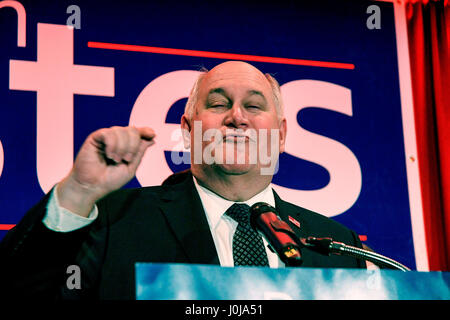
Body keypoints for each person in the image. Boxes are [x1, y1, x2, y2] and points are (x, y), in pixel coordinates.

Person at [0, 61, 366, 300]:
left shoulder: (337, 248)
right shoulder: (116, 221)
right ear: (189, 132)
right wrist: (78, 193)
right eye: (219, 104)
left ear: (282, 135)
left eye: (254, 106)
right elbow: (18, 291)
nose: (237, 117)